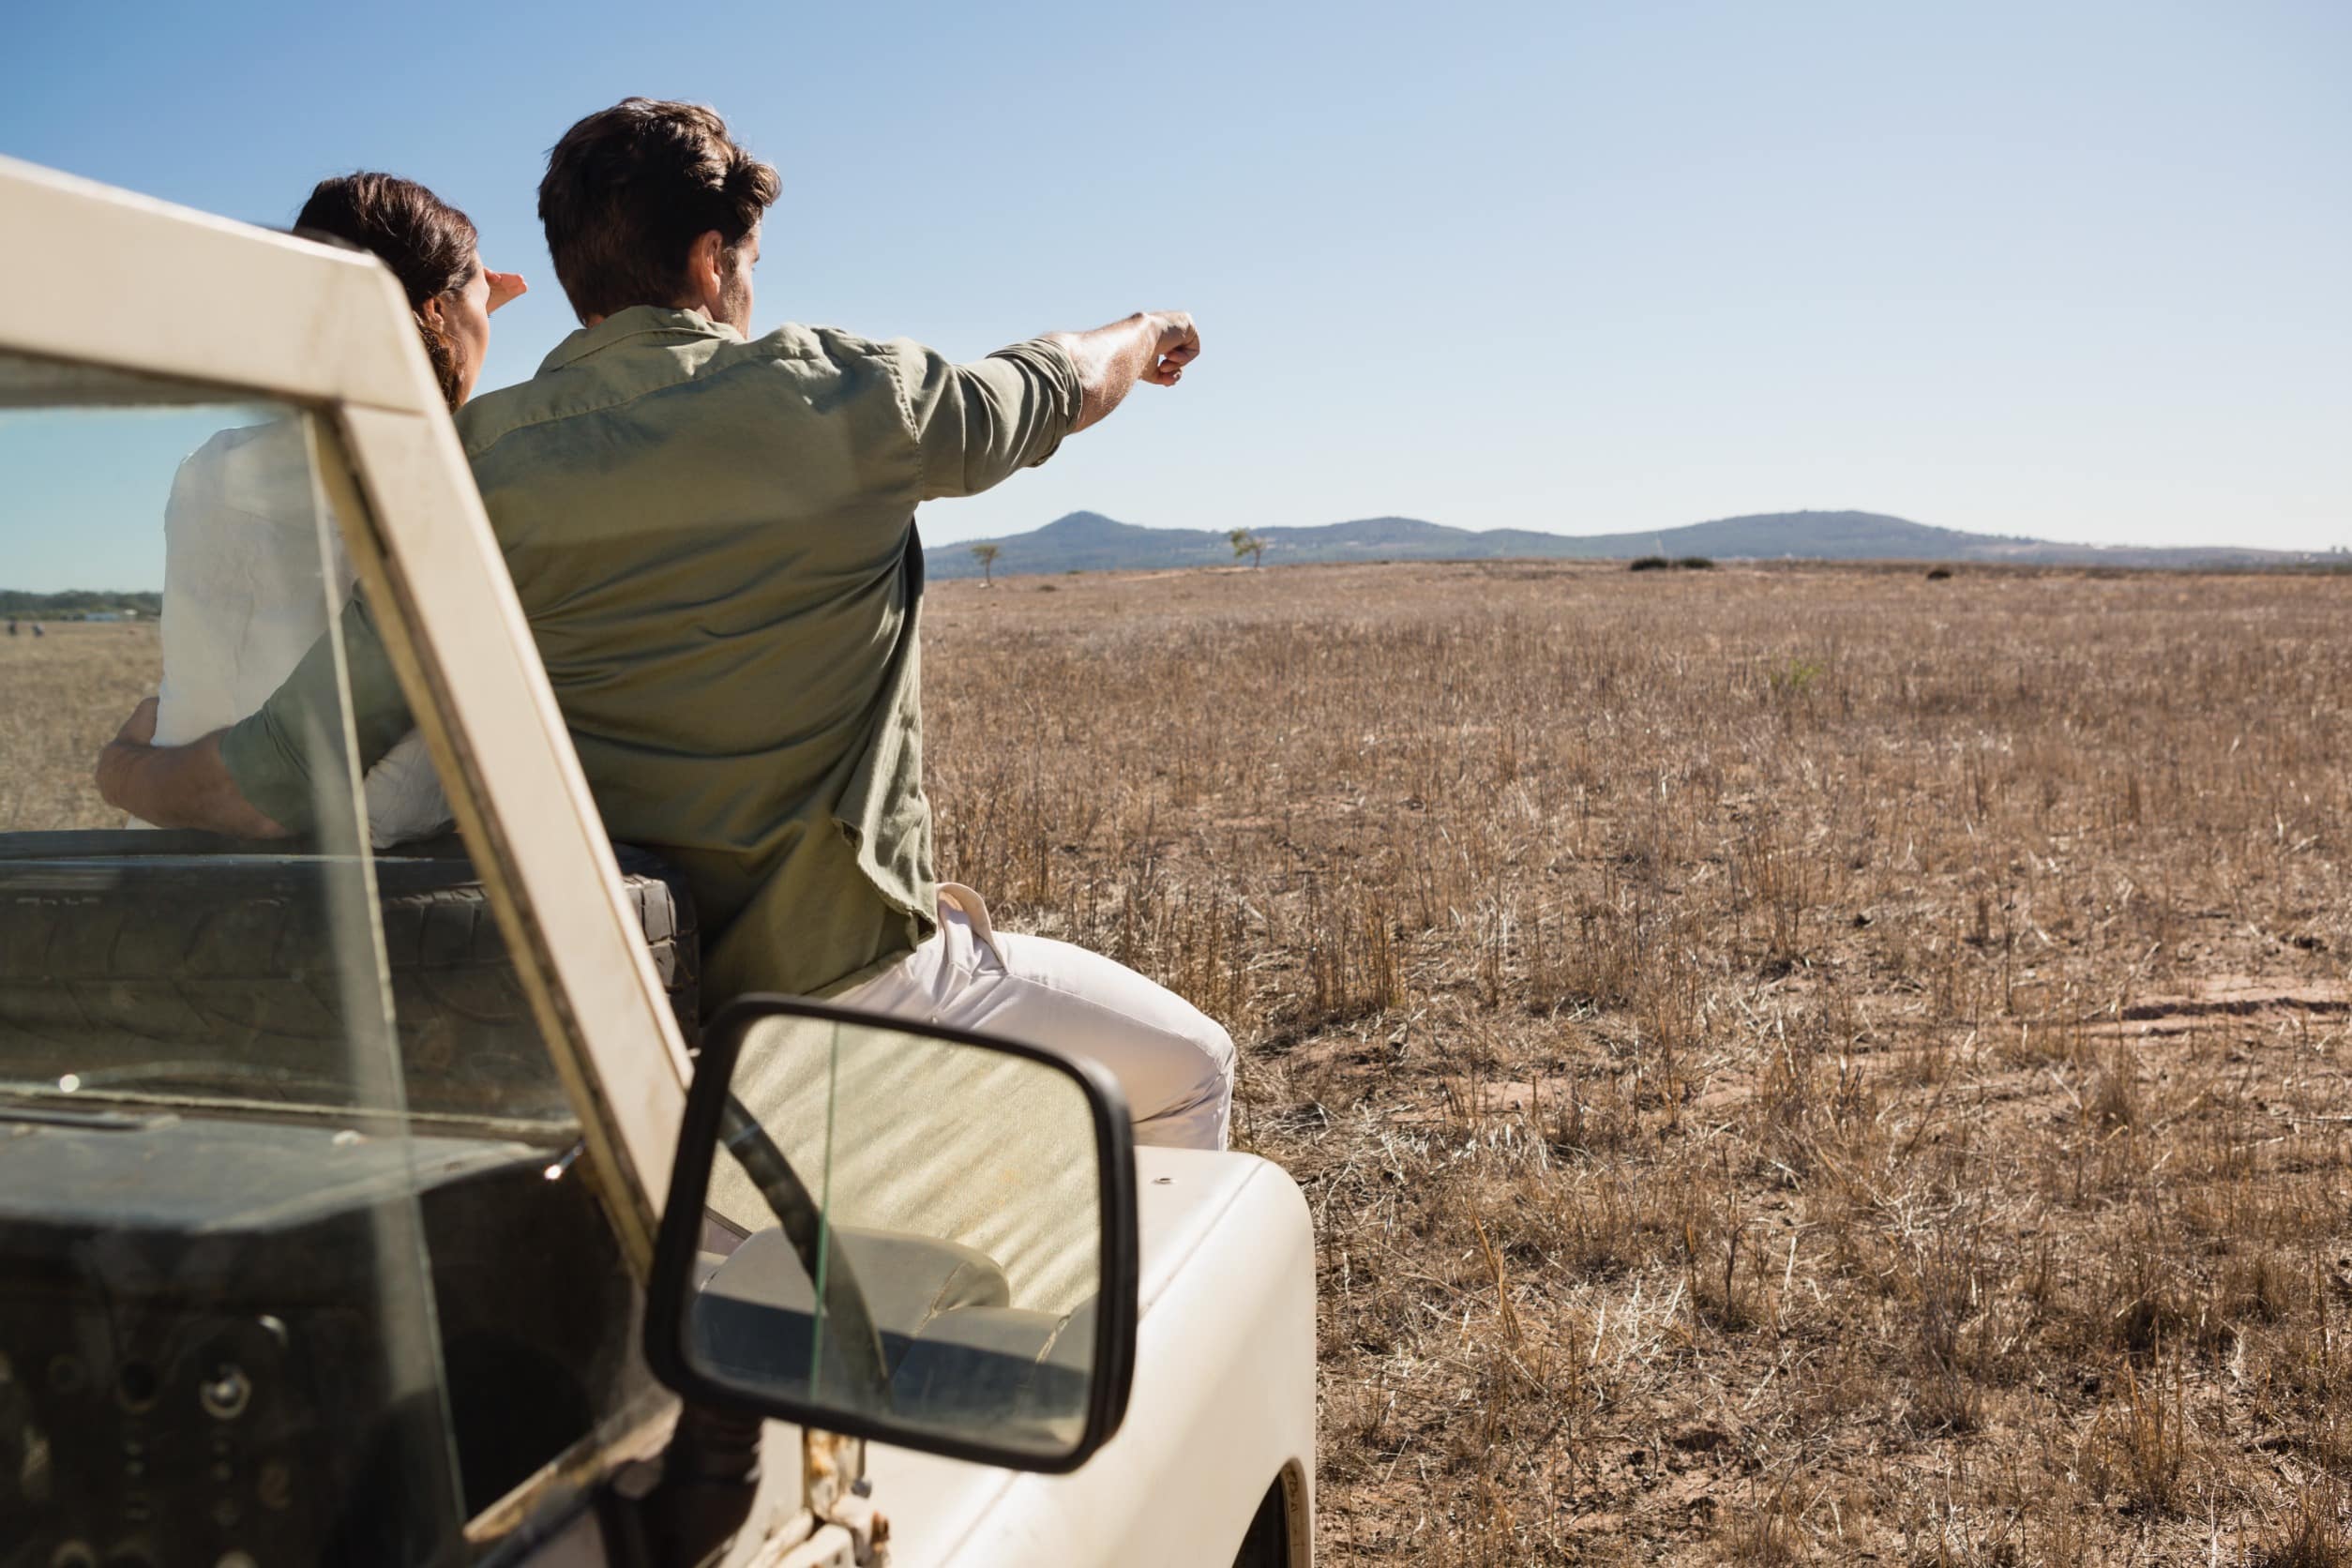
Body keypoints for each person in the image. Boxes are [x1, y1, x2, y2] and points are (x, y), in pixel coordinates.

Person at [96, 99, 1232, 1150]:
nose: (748, 290)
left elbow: (292, 760)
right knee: (1194, 1065)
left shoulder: (472, 469)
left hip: (629, 1015)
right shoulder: (842, 395)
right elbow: (1046, 384)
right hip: (853, 989)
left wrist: (131, 773)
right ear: (708, 259)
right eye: (745, 262)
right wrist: (1151, 326)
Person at [107, 173, 526, 846]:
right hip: (354, 878)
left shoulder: (210, 468)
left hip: (174, 847)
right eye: (478, 299)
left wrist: (458, 310)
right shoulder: (446, 486)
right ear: (435, 313)